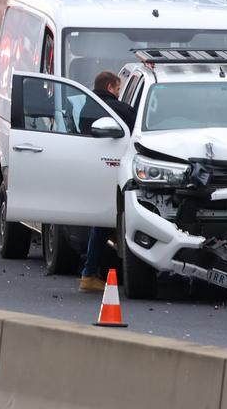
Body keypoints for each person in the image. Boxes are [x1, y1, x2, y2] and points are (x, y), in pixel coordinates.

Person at [79, 71, 136, 293]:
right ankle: (89, 273)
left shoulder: (87, 107)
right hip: (115, 171)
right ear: (111, 87)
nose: (120, 95)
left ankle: (91, 272)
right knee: (104, 223)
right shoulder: (118, 108)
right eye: (119, 90)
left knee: (103, 223)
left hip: (92, 170)